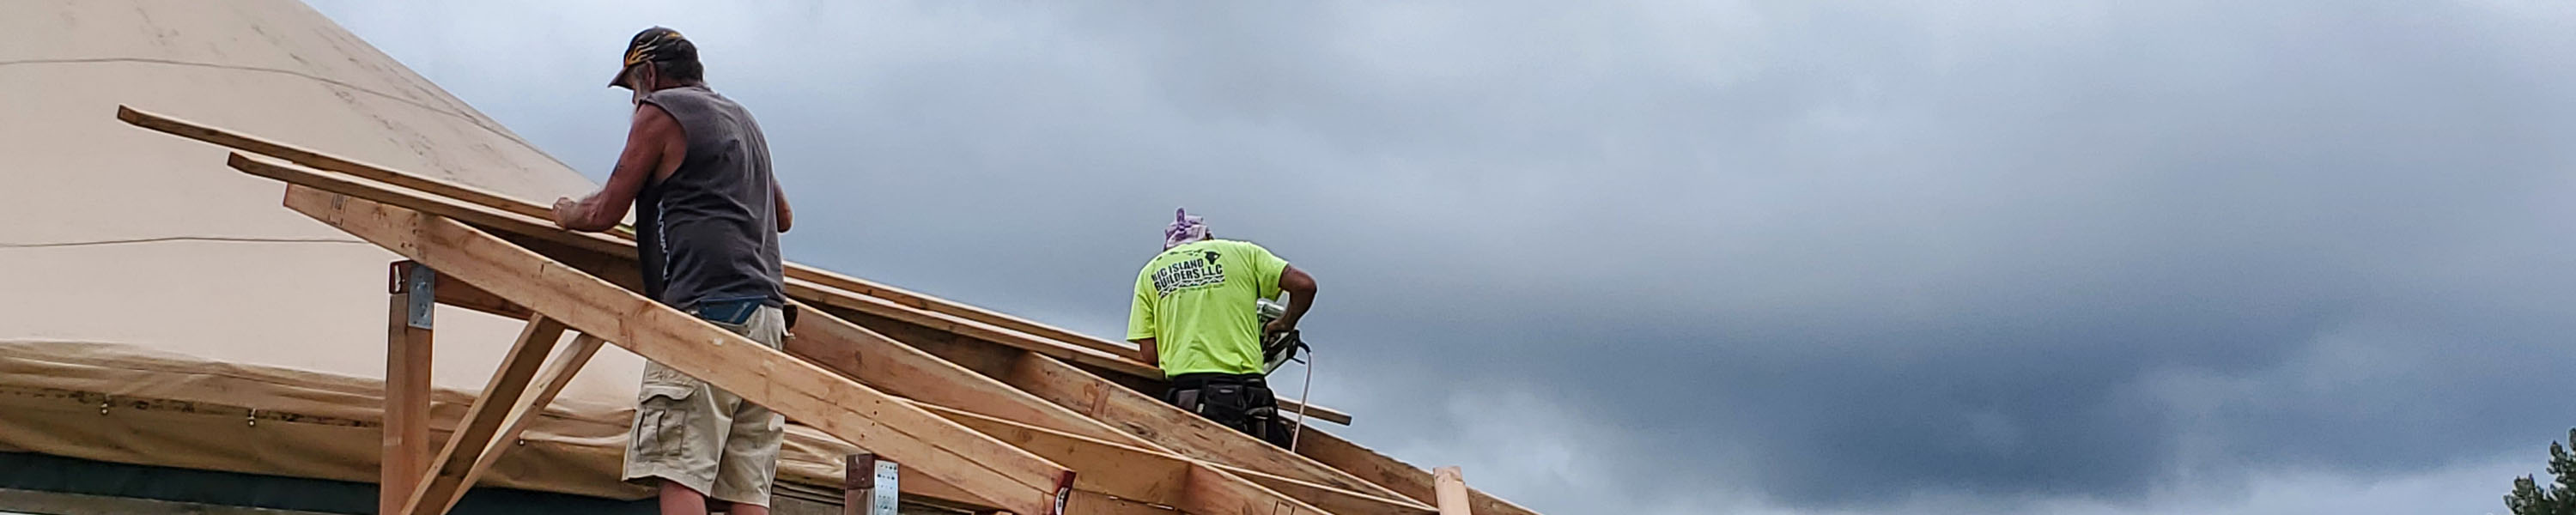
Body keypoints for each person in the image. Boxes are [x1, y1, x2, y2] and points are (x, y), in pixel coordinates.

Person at [550, 27, 793, 515]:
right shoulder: (741, 119)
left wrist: (565, 213)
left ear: (649, 73)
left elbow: (605, 210)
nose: (633, 100)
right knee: (746, 484)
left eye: (632, 87)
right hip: (768, 315)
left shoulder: (661, 112)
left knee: (678, 465)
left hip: (704, 308)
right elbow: (783, 217)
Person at [1125, 208, 1318, 447]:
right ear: (1208, 237)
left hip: (1193, 399)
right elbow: (1304, 286)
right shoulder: (1243, 253)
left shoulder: (1151, 273)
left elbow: (1149, 353)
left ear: (1169, 247)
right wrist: (1284, 323)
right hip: (1252, 398)